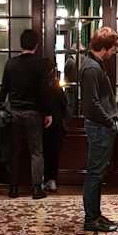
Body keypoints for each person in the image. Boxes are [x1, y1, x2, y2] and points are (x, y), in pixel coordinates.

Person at [0, 28, 52, 199]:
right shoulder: (41, 64)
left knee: (15, 151)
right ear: (36, 45)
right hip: (33, 113)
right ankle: (36, 189)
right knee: (36, 152)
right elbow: (44, 92)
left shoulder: (11, 64)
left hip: (14, 112)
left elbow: (4, 89)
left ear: (21, 44)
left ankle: (13, 188)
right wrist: (48, 113)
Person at [80, 26, 118, 232]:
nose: (114, 52)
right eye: (113, 48)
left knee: (97, 173)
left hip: (100, 127)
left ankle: (95, 215)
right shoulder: (92, 69)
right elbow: (91, 104)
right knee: (95, 174)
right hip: (99, 128)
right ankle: (91, 219)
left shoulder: (94, 65)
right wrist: (109, 122)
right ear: (104, 48)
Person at [43, 62, 68, 192]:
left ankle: (43, 179)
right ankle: (52, 180)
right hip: (56, 123)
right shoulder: (56, 86)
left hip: (42, 123)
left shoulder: (40, 86)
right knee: (54, 153)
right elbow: (65, 104)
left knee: (43, 153)